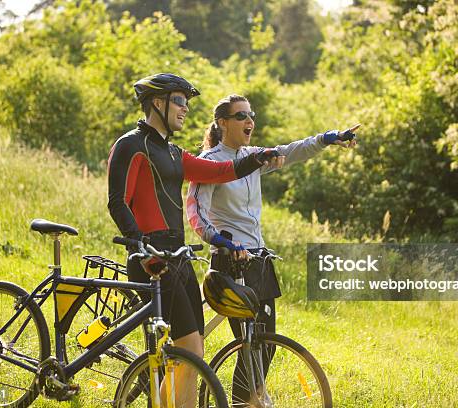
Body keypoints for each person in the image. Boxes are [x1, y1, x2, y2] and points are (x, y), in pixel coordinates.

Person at [107, 76, 279, 406]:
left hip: (179, 256)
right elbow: (118, 201)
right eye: (179, 101)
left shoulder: (173, 152)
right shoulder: (130, 145)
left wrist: (260, 156)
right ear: (158, 103)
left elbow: (219, 171)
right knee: (191, 349)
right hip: (151, 258)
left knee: (193, 351)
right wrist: (138, 244)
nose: (186, 109)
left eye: (187, 103)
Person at [186, 94, 358, 404]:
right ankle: (243, 401)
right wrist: (222, 241)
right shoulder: (210, 163)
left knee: (265, 345)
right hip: (230, 263)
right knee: (250, 346)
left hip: (259, 261)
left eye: (251, 115)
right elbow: (196, 214)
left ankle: (246, 399)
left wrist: (328, 138)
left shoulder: (253, 157)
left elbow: (292, 151)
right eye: (241, 116)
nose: (249, 121)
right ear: (222, 123)